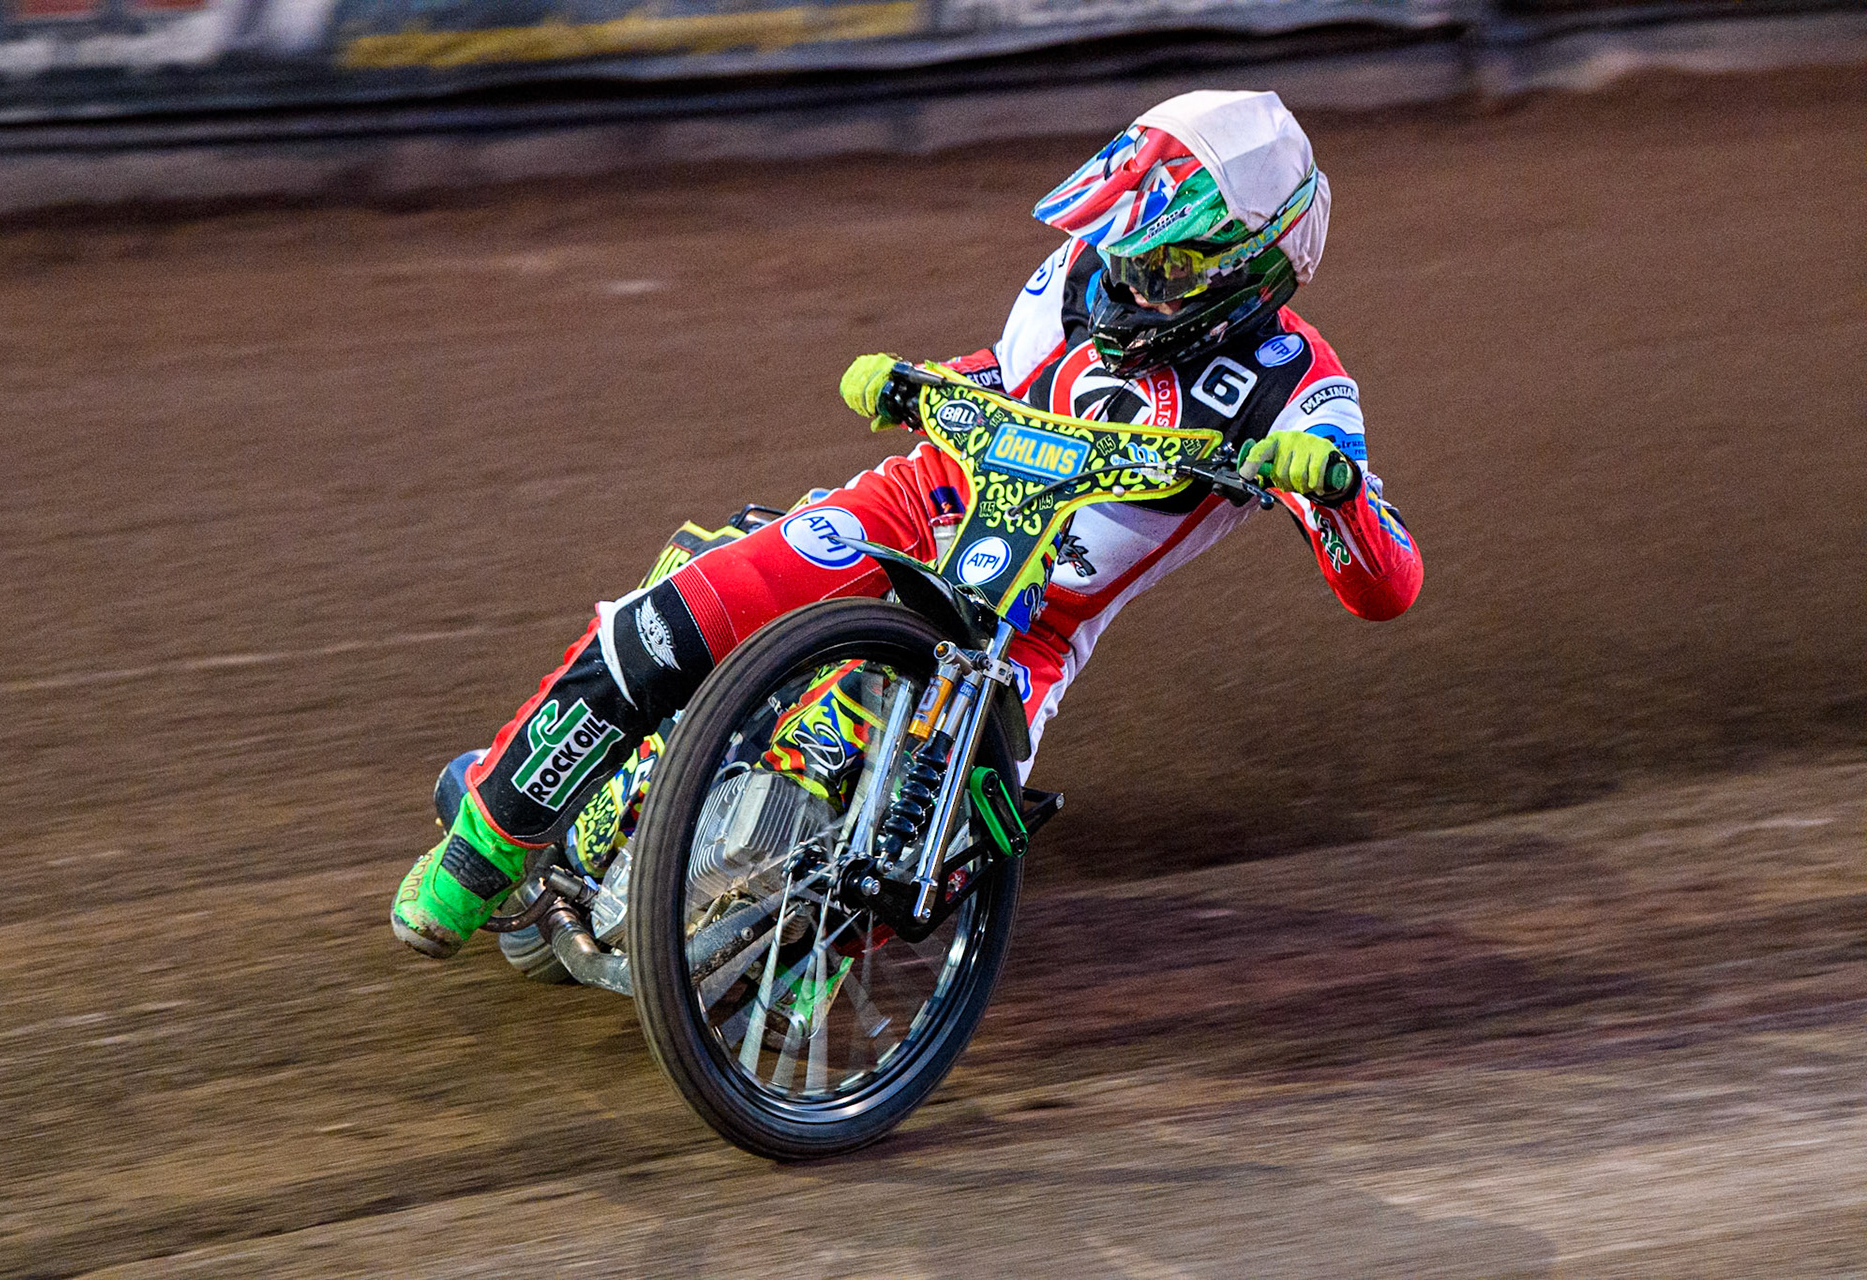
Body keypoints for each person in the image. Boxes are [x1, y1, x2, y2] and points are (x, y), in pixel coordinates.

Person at [391, 88, 1424, 960]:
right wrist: (923, 381)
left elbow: (1389, 584)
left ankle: (774, 953)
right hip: (910, 506)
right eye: (1117, 249)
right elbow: (1010, 377)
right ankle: (483, 851)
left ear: (1253, 269)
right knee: (666, 621)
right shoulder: (1073, 279)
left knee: (860, 868)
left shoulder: (1305, 391)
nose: (1120, 282)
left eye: (1159, 270)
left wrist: (1333, 495)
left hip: (1025, 636)